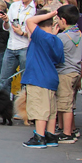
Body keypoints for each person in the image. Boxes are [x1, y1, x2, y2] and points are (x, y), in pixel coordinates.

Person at [21, 9, 64, 148]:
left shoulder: (41, 36)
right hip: (51, 77)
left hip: (37, 77)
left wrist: (50, 14)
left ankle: (39, 136)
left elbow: (29, 21)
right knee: (51, 109)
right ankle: (50, 135)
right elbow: (58, 60)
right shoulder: (56, 40)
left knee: (39, 108)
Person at [0, 0, 36, 95]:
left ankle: (25, 104)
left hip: (25, 47)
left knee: (25, 79)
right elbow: (7, 27)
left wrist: (23, 33)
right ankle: (4, 105)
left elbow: (36, 31)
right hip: (11, 46)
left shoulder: (35, 9)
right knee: (4, 79)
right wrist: (6, 21)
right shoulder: (15, 6)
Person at [54, 5, 82, 144]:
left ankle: (67, 133)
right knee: (70, 102)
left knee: (65, 104)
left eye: (58, 19)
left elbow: (54, 54)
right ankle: (72, 129)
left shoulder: (62, 37)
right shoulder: (79, 33)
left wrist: (54, 35)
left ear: (63, 20)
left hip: (65, 73)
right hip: (76, 71)